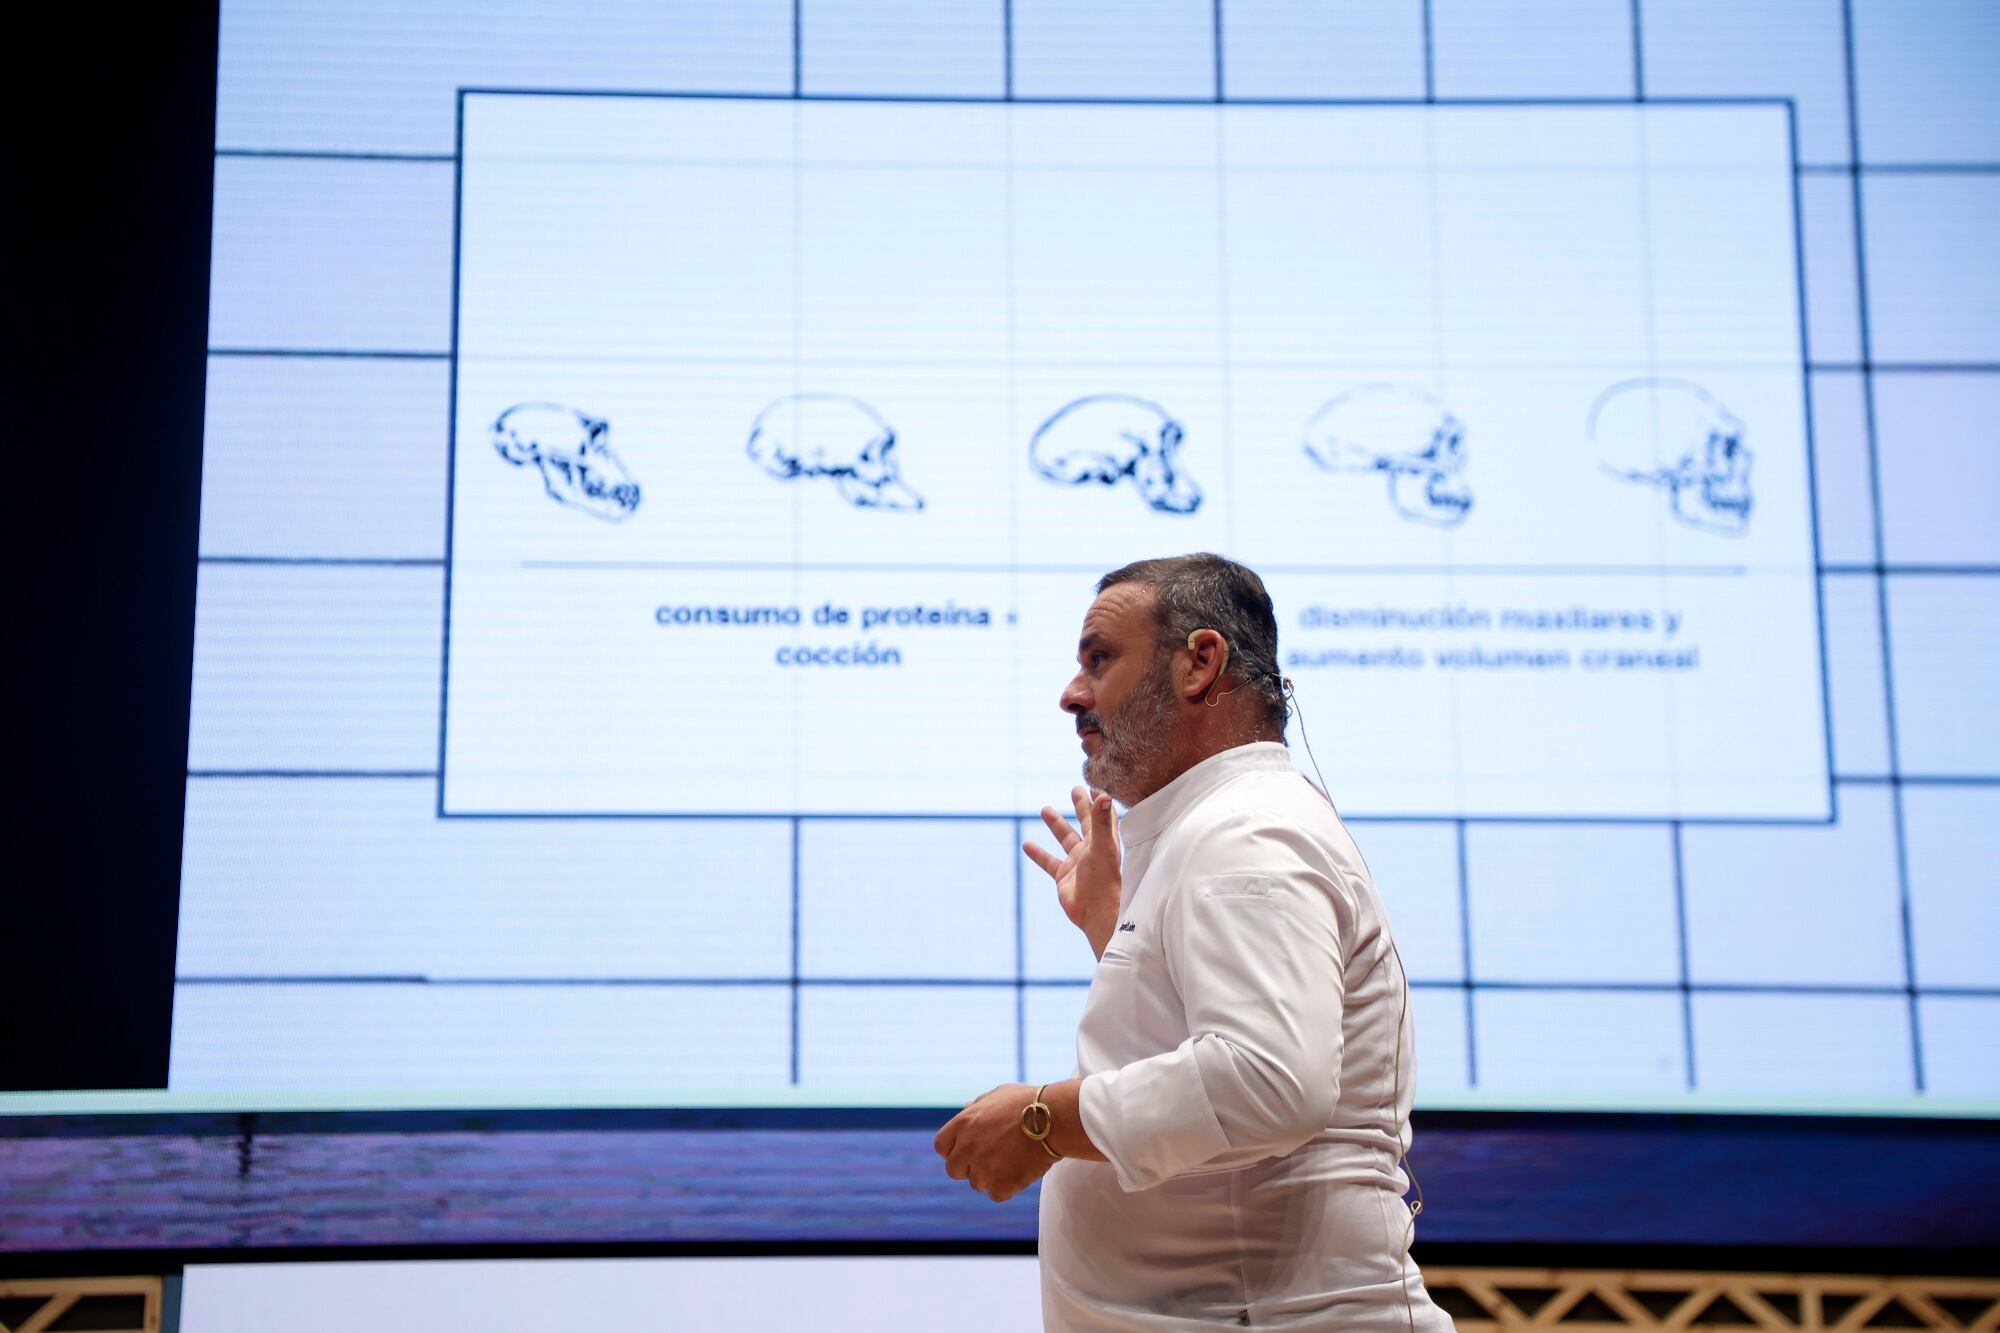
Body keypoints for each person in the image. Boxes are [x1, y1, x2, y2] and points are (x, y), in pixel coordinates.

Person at [934, 553, 1454, 1331]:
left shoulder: (1248, 830)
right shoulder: (1223, 825)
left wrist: (1042, 1120)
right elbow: (1206, 1053)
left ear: (1200, 663)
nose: (1072, 694)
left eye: (1099, 659)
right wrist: (1116, 930)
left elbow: (1270, 1080)